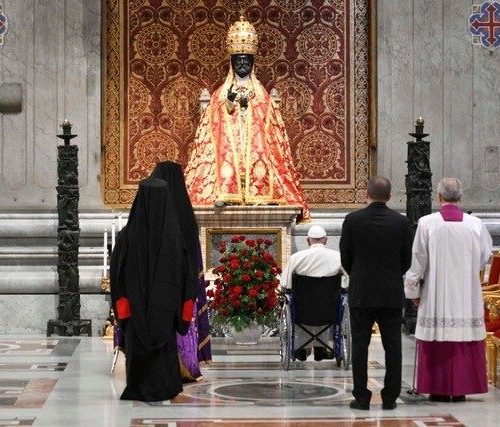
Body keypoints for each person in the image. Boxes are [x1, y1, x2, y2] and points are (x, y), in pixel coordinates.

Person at [184, 16, 309, 221]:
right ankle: (226, 192)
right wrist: (229, 104)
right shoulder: (220, 93)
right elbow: (213, 122)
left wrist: (248, 108)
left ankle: (259, 193)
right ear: (232, 63)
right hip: (230, 139)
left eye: (246, 60)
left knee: (260, 151)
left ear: (252, 63)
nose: (242, 64)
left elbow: (269, 122)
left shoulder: (262, 94)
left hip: (254, 141)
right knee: (225, 151)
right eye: (238, 60)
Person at [110, 177, 198, 401]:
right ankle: (164, 385)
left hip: (135, 315)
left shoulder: (126, 237)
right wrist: (183, 316)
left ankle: (138, 387)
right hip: (166, 315)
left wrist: (123, 314)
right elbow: (187, 282)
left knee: (138, 347)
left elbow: (117, 280)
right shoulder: (175, 240)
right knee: (164, 351)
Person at [404, 177, 492, 402]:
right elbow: (485, 256)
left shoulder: (427, 223)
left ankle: (437, 389)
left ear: (439, 197)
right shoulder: (475, 224)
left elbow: (418, 260)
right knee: (464, 336)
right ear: (460, 197)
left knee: (437, 337)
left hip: (436, 294)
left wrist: (412, 291)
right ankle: (461, 388)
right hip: (466, 293)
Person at [339, 176, 412, 410]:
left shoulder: (352, 220)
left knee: (360, 345)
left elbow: (345, 257)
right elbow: (406, 260)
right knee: (393, 346)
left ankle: (361, 397)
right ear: (389, 196)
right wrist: (392, 275)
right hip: (391, 292)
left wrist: (359, 275)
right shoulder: (401, 222)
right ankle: (390, 397)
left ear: (366, 194)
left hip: (362, 292)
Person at [150, 161, 212, 380]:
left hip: (157, 284)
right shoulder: (186, 215)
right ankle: (186, 364)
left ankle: (158, 367)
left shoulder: (151, 213)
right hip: (184, 283)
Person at [281, 225, 344, 361]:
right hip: (329, 309)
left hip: (303, 309)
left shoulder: (296, 257)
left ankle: (301, 349)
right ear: (325, 240)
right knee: (327, 304)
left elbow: (285, 284)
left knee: (299, 305)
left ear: (307, 240)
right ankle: (321, 349)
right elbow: (348, 280)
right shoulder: (338, 257)